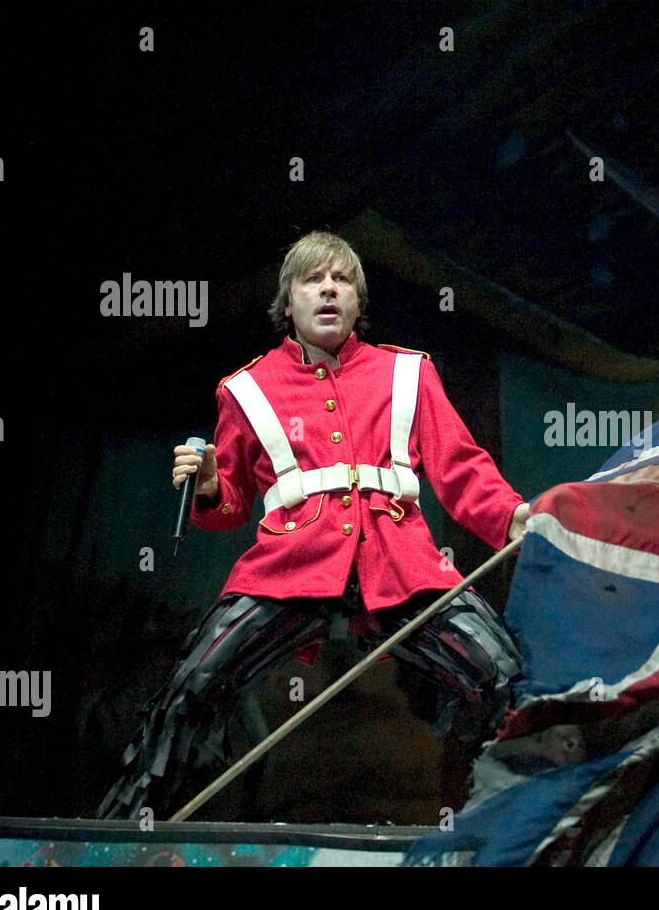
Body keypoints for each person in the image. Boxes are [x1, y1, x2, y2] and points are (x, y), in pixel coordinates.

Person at [97, 231, 529, 820]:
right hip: (289, 568)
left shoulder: (408, 373)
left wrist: (512, 517)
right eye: (311, 279)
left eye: (342, 279)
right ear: (288, 301)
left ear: (357, 301)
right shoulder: (245, 389)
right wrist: (206, 486)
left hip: (401, 566)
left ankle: (509, 827)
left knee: (503, 674)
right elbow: (229, 508)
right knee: (195, 682)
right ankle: (124, 828)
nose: (328, 288)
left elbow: (460, 469)